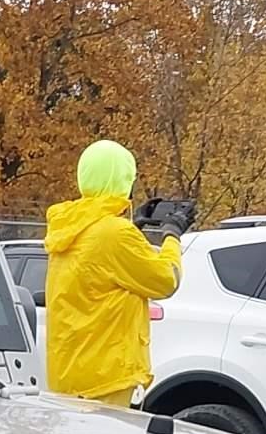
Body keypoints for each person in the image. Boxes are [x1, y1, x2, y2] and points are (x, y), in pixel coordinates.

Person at [43, 139, 182, 405]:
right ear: (124, 181)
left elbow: (100, 270)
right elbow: (166, 280)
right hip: (108, 381)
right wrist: (172, 235)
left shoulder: (69, 227)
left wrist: (133, 224)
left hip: (69, 376)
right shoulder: (115, 234)